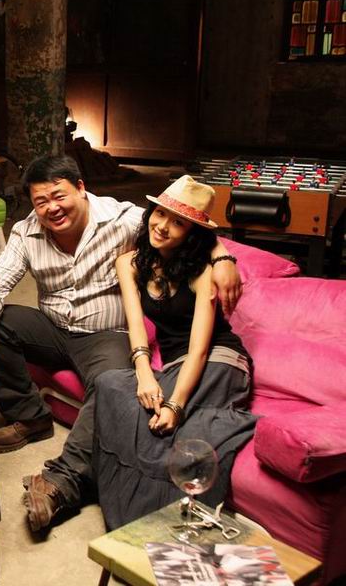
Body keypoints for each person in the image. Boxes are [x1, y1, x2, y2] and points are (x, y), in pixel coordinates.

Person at [0, 155, 242, 532]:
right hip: (52, 327)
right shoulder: (26, 232)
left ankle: (65, 480)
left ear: (81, 188)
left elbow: (183, 226)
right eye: (41, 201)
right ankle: (31, 416)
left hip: (105, 335)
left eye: (59, 195)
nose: (52, 208)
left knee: (111, 386)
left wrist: (224, 257)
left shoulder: (123, 218)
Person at [94, 175, 257, 528]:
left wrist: (175, 405)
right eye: (160, 214)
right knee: (110, 385)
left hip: (219, 360)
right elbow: (135, 325)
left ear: (192, 234)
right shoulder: (129, 263)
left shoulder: (202, 272)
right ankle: (130, 523)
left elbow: (200, 349)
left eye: (179, 223)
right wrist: (144, 374)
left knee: (168, 432)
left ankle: (157, 529)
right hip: (174, 366)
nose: (163, 227)